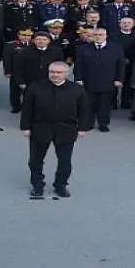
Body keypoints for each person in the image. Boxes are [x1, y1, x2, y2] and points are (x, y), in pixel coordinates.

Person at [20, 62, 90, 197]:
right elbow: (27, 108)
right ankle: (37, 185)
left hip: (66, 129)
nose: (55, 75)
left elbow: (84, 110)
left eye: (59, 72)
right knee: (35, 160)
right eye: (52, 72)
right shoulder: (36, 87)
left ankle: (61, 185)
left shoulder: (77, 89)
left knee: (65, 161)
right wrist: (25, 127)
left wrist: (82, 128)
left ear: (66, 73)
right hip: (40, 128)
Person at [75, 28, 125, 132]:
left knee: (105, 104)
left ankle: (103, 123)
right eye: (96, 34)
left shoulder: (116, 48)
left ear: (106, 36)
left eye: (101, 34)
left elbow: (120, 65)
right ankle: (89, 123)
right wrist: (78, 79)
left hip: (108, 81)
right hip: (89, 80)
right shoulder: (83, 48)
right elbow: (79, 65)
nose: (98, 36)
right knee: (88, 104)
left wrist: (119, 79)